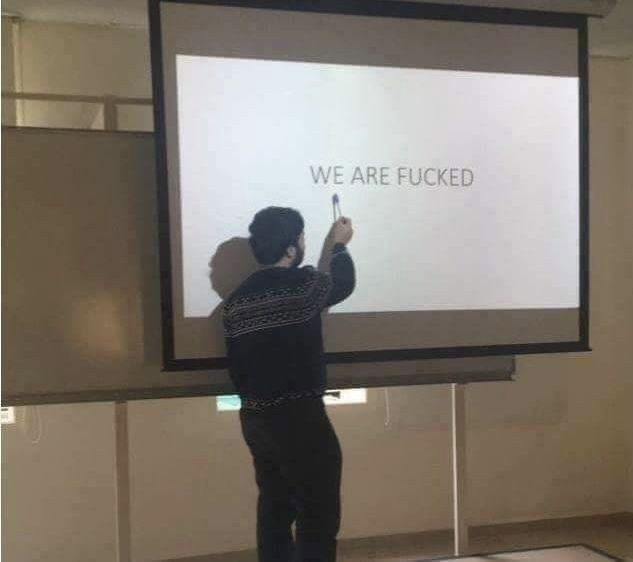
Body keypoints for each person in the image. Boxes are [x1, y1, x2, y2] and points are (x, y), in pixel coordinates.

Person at [222, 206, 355, 562]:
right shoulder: (303, 286)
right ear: (291, 249)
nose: (304, 243)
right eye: (302, 237)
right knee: (318, 513)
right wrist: (339, 246)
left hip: (254, 418)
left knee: (274, 510)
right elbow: (343, 284)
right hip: (300, 419)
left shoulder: (236, 301)